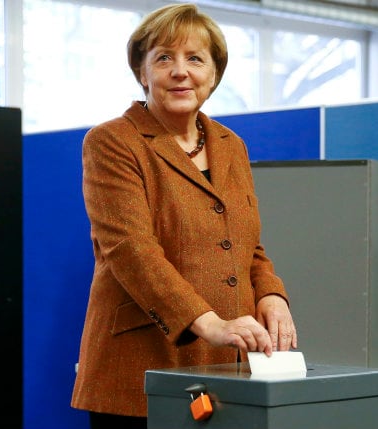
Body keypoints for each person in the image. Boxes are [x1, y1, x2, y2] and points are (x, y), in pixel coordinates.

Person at [71, 4, 297, 428]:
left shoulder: (232, 146)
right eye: (163, 58)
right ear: (142, 71)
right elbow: (130, 250)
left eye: (195, 58)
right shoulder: (112, 142)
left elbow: (247, 244)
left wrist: (271, 294)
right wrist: (208, 322)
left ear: (214, 74)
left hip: (227, 366)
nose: (180, 71)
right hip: (142, 364)